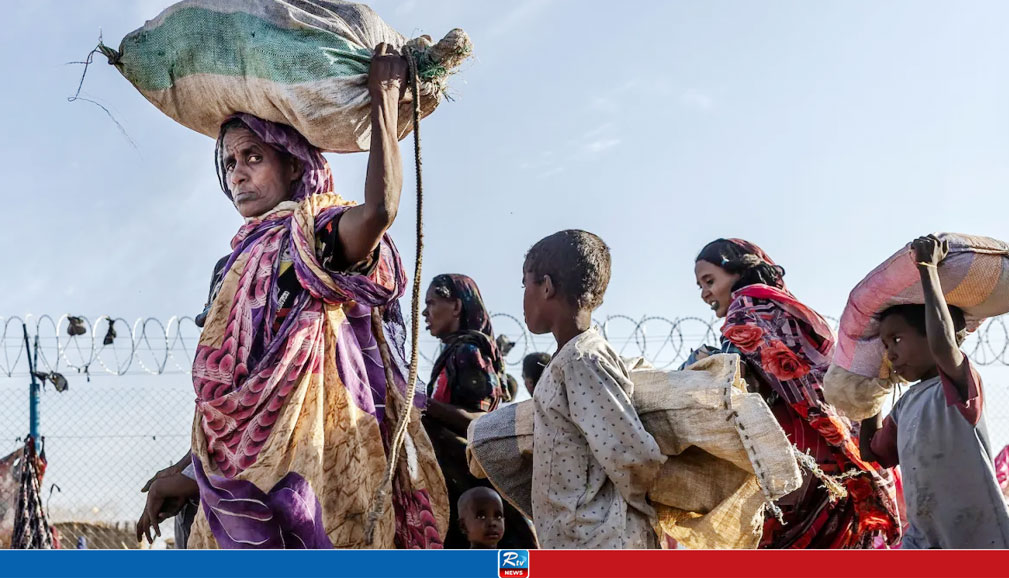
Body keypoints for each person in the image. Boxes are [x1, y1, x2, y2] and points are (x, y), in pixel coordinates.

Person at [135, 42, 448, 549]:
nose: (237, 172)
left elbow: (378, 212)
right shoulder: (234, 265)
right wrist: (186, 473)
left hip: (318, 476)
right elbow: (239, 407)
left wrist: (383, 98)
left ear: (296, 166)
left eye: (253, 157)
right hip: (234, 494)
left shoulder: (312, 239)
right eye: (231, 160)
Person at [689, 239, 899, 548]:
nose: (705, 292)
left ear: (738, 272)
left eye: (710, 281)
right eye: (700, 286)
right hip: (832, 454)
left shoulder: (744, 311)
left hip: (791, 461)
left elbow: (737, 388)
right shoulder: (792, 308)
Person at [860, 235, 1009, 549]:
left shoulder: (957, 384)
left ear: (931, 333)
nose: (890, 354)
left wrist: (927, 269)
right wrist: (872, 385)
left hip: (979, 540)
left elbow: (943, 345)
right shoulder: (905, 405)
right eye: (884, 346)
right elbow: (872, 453)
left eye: (896, 339)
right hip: (925, 542)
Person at [523, 230, 665, 549]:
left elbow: (633, 455)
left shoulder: (581, 361)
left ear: (546, 286)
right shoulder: (569, 360)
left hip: (600, 543)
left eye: (525, 284)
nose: (523, 296)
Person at [421, 274, 537, 549]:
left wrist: (423, 405)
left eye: (432, 302)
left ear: (457, 307)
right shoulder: (454, 352)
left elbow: (484, 422)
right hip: (461, 489)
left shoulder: (468, 352)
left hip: (473, 490)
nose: (425, 312)